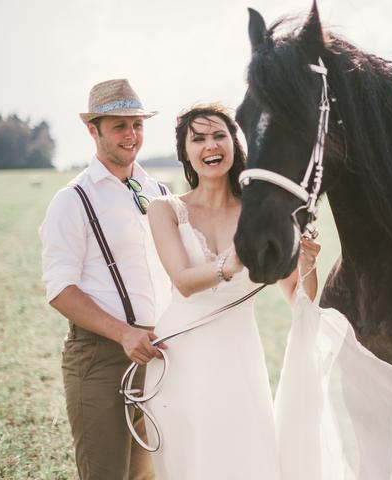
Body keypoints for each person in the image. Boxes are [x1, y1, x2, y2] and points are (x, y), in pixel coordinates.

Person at [143, 103, 320, 479]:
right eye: (198, 139)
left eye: (219, 135)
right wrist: (234, 260)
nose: (210, 145)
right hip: (181, 354)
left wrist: (306, 262)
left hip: (239, 354)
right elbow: (183, 281)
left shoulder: (260, 214)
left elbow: (298, 295)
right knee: (191, 461)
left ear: (235, 144)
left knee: (245, 457)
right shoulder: (165, 209)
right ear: (185, 152)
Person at [39, 78, 171, 480]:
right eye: (119, 126)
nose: (131, 135)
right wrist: (124, 334)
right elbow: (60, 290)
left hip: (156, 356)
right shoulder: (73, 199)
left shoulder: (159, 191)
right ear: (93, 130)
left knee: (147, 475)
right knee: (106, 473)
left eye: (137, 125)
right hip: (99, 357)